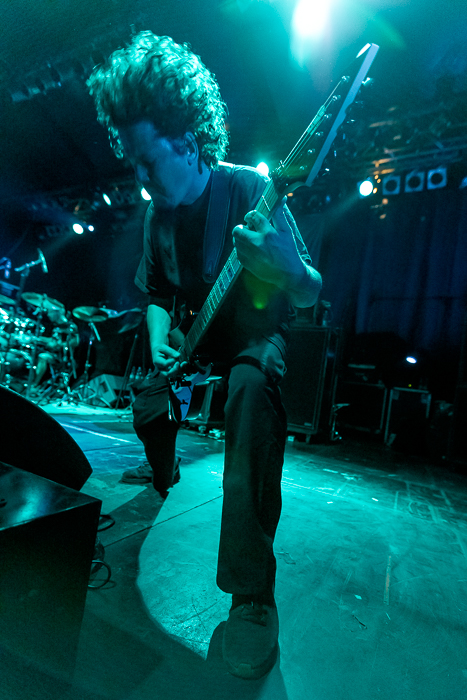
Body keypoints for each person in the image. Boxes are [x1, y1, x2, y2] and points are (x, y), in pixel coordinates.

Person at [87, 32, 321, 680]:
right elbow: (157, 291)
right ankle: (162, 473)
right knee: (146, 402)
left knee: (249, 389)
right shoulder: (157, 216)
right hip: (195, 339)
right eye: (132, 163)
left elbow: (310, 292)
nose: (140, 178)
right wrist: (162, 334)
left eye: (146, 161)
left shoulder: (251, 191)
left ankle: (252, 596)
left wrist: (286, 265)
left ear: (188, 142)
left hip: (252, 339)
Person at [30, 308, 79, 393]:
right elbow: (53, 340)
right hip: (52, 354)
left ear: (57, 313)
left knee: (42, 357)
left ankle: (35, 384)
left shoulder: (70, 326)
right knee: (33, 351)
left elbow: (76, 342)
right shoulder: (56, 326)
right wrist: (38, 338)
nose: (48, 315)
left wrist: (59, 345)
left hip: (61, 357)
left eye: (50, 312)